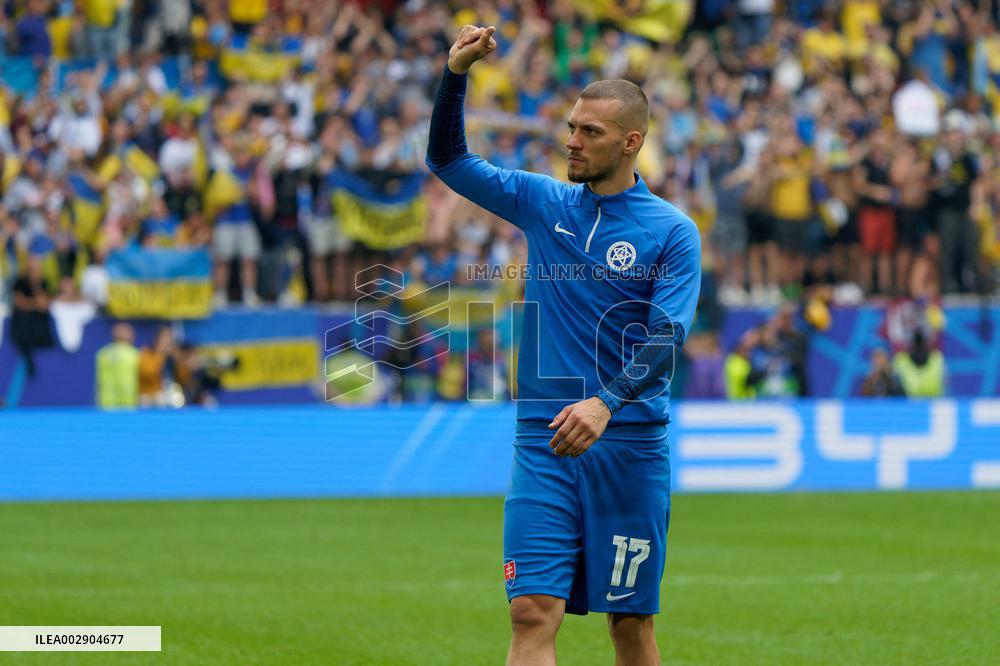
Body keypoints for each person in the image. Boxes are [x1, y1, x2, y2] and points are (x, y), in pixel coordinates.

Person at [426, 25, 701, 665]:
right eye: (572, 127)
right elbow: (448, 161)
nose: (571, 141)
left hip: (628, 443)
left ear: (631, 142)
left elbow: (666, 336)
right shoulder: (541, 200)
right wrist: (455, 76)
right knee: (530, 611)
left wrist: (605, 404)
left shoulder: (672, 231)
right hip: (543, 437)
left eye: (590, 132)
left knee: (629, 624)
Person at [95, 322, 139, 409]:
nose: (132, 335)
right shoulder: (134, 354)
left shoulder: (102, 353)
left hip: (106, 401)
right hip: (127, 400)